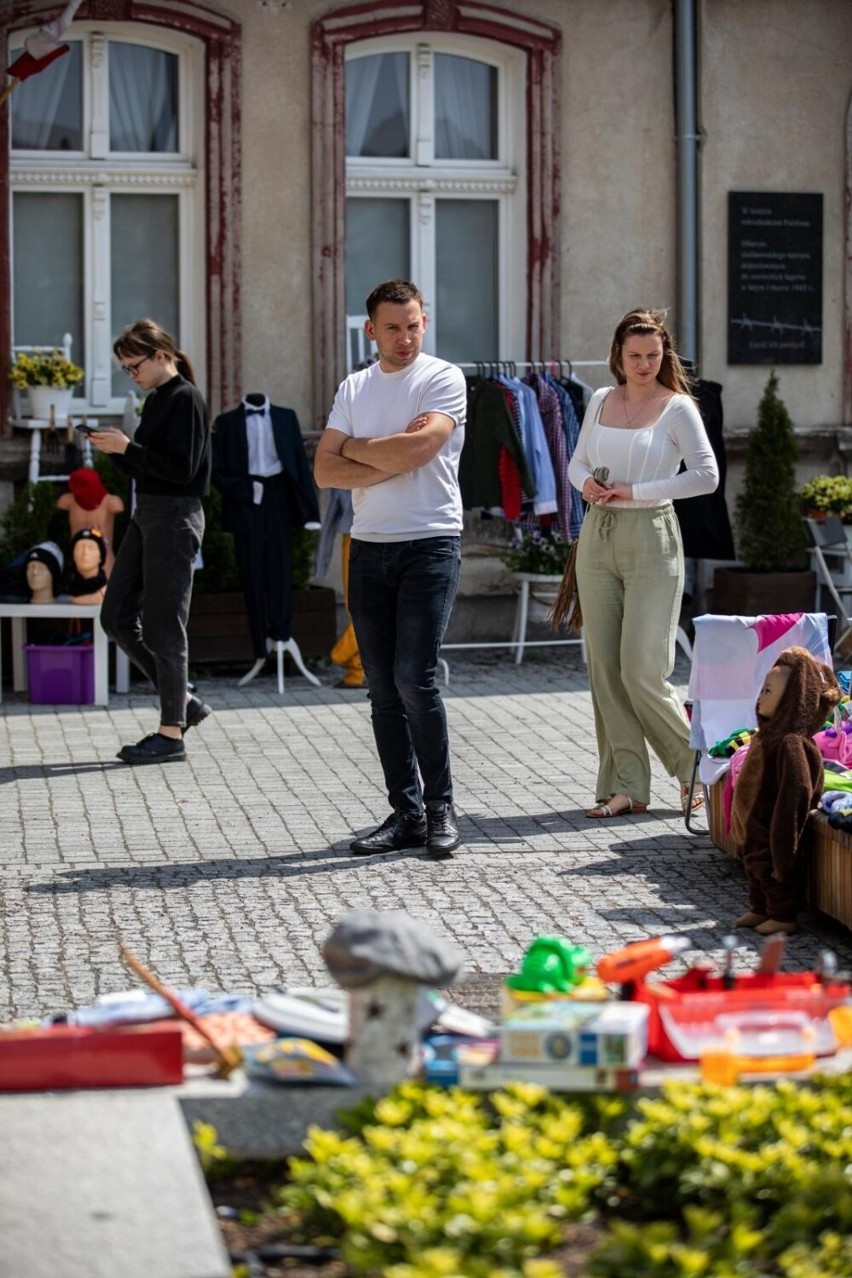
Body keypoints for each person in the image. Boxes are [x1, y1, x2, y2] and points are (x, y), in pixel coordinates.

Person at [314, 279, 466, 859]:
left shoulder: (442, 378)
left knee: (413, 677)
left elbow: (420, 450)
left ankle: (440, 809)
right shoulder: (354, 386)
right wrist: (386, 452)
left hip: (430, 544)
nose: (406, 337)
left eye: (414, 324)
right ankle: (404, 813)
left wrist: (357, 449)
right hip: (369, 547)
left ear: (425, 322)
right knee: (381, 688)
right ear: (370, 330)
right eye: (393, 327)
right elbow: (324, 471)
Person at [567, 308, 719, 819]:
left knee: (642, 670)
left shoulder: (677, 408)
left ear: (664, 354)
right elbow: (577, 461)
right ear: (618, 355)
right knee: (606, 671)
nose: (644, 364)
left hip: (653, 533)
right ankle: (627, 786)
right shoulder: (600, 400)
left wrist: (636, 490)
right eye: (634, 355)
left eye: (653, 355)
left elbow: (706, 476)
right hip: (598, 535)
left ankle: (697, 769)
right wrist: (583, 483)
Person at [90, 318, 212, 764]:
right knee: (116, 616)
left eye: (133, 365)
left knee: (164, 627)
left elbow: (181, 470)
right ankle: (182, 702)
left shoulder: (185, 399)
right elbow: (149, 466)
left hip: (175, 518)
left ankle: (171, 733)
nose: (132, 374)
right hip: (149, 516)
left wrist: (127, 450)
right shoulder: (159, 399)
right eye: (125, 369)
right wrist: (117, 452)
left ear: (162, 356)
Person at [731, 646, 840, 935]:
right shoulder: (767, 736)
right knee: (754, 866)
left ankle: (781, 914)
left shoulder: (792, 744)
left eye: (769, 692)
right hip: (754, 823)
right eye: (763, 690)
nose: (761, 697)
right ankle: (760, 907)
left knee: (774, 868)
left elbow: (797, 788)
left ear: (791, 699)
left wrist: (785, 829)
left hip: (773, 823)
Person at [69, 527, 108, 604]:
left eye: (91, 548)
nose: (85, 553)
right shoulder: (71, 590)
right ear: (73, 556)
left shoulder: (108, 590)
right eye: (79, 548)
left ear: (101, 556)